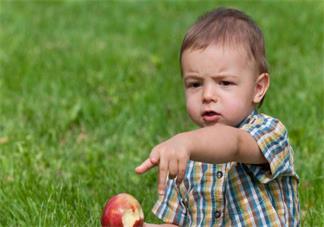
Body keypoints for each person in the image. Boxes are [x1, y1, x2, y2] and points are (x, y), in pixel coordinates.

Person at [135, 7, 300, 226]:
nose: (208, 95)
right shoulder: (186, 157)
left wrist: (186, 143)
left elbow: (234, 144)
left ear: (258, 88)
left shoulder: (269, 131)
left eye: (225, 83)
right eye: (195, 84)